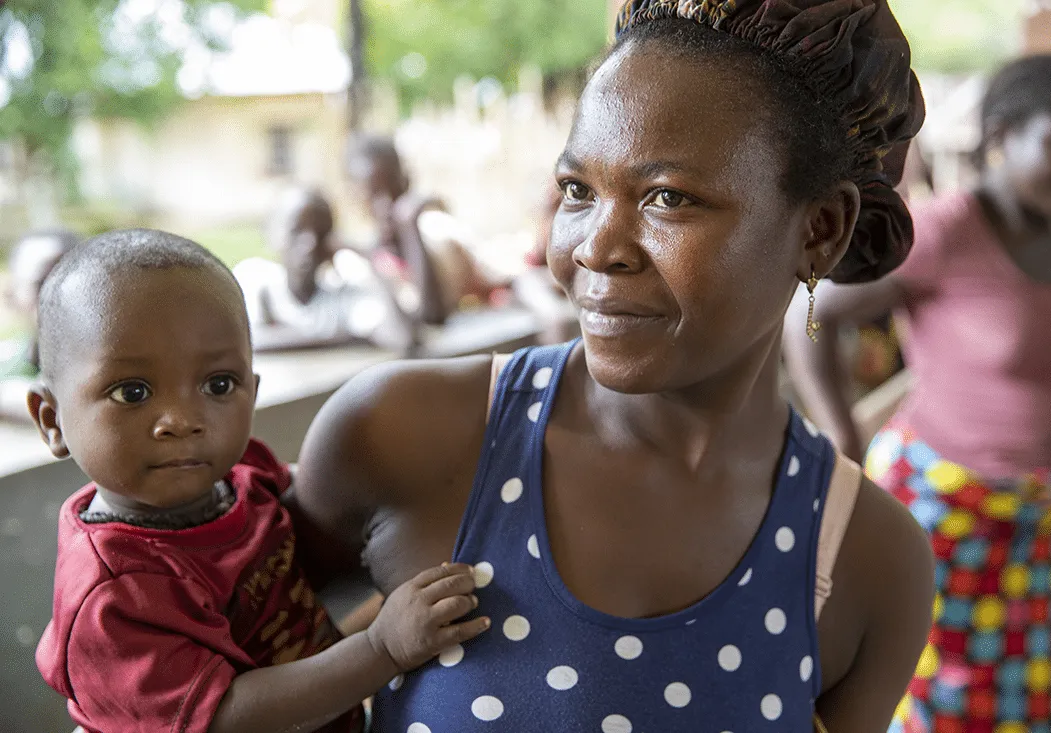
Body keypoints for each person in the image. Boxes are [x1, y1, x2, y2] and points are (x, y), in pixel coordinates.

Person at [290, 2, 934, 731]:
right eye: (578, 190)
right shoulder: (405, 436)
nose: (597, 247)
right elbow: (194, 681)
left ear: (819, 232)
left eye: (667, 198)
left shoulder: (863, 561)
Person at [30, 229, 489, 733]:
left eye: (218, 385)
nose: (181, 419)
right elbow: (227, 716)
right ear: (52, 421)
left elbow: (316, 522)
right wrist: (381, 646)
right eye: (132, 392)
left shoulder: (244, 475)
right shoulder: (113, 595)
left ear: (252, 391)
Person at [782, 55, 1051, 731]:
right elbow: (806, 312)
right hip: (950, 515)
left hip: (1050, 514)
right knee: (947, 700)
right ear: (1002, 135)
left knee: (1050, 695)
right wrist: (840, 433)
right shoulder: (943, 231)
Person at [234, 188, 416, 354]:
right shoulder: (255, 280)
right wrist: (344, 337)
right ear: (273, 235)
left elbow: (402, 337)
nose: (310, 244)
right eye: (296, 230)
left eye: (321, 234)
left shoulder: (341, 297)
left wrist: (368, 258)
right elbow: (244, 343)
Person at [347, 134, 500, 325]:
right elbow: (425, 316)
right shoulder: (357, 265)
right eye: (374, 195)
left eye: (392, 188)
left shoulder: (440, 233)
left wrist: (411, 227)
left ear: (405, 181)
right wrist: (409, 225)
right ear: (355, 196)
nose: (386, 204)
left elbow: (496, 283)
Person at [0, 229, 79, 422]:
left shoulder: (122, 362)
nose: (61, 296)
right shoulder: (6, 367)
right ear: (12, 295)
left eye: (75, 282)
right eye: (42, 284)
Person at [512, 179, 580, 344]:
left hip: (569, 278)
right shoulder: (551, 221)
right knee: (554, 317)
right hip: (540, 279)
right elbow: (537, 257)